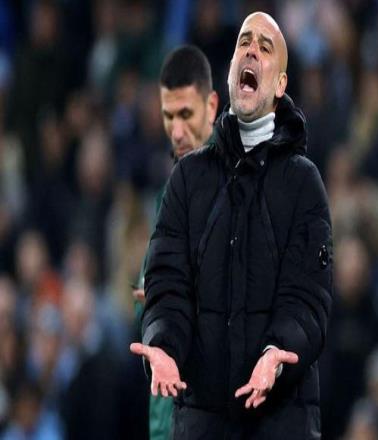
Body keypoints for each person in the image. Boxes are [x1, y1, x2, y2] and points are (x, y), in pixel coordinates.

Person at [131, 12, 333, 439]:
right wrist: (163, 343)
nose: (251, 50)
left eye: (265, 47)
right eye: (244, 42)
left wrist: (277, 351)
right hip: (202, 422)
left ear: (280, 85)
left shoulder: (303, 183)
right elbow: (167, 283)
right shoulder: (187, 179)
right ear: (229, 73)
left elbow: (308, 297)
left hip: (281, 422)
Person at [132, 45, 218, 440]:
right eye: (169, 117)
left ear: (211, 106)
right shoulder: (168, 197)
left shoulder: (240, 189)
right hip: (167, 417)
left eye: (186, 114)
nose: (177, 132)